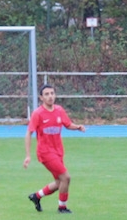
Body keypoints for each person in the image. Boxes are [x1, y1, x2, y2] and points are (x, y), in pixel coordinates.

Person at [24, 83, 87, 213]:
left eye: (52, 93)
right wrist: (28, 155)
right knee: (66, 178)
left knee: (60, 182)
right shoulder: (38, 114)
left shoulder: (59, 110)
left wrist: (77, 127)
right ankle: (62, 207)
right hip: (45, 153)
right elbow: (29, 133)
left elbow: (67, 124)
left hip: (58, 151)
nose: (50, 96)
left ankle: (36, 196)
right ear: (41, 98)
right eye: (46, 94)